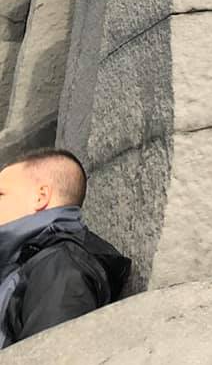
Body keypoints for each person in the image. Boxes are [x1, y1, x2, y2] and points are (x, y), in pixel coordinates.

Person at [0, 148, 129, 348]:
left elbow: (49, 361)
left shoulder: (59, 266)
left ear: (41, 197)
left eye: (1, 194)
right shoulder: (29, 264)